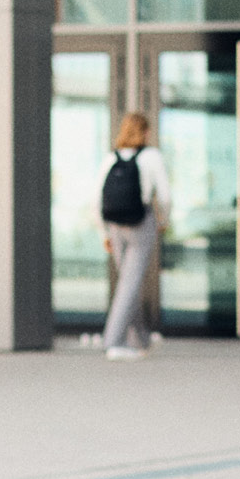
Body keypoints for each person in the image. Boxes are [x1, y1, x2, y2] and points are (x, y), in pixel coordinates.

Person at [98, 112, 172, 361]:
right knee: (130, 284)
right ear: (146, 132)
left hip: (115, 225)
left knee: (128, 282)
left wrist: (103, 231)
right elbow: (164, 196)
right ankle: (114, 342)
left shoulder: (111, 158)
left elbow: (97, 198)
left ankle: (139, 338)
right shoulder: (151, 156)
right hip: (141, 222)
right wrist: (163, 220)